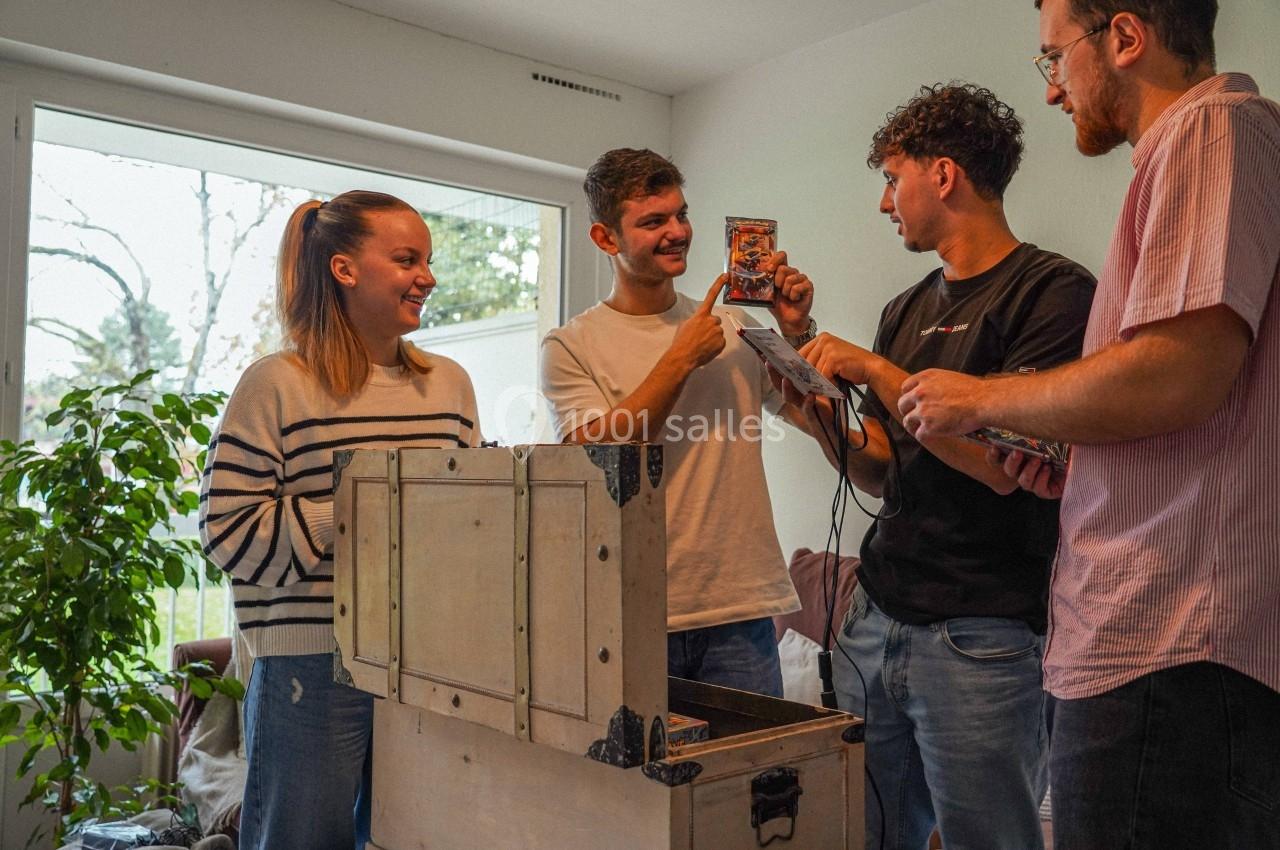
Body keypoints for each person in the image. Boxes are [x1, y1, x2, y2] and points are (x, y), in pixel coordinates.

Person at [897, 2, 1280, 846]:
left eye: (1053, 60)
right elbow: (1179, 402)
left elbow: (1179, 372)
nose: (1052, 92)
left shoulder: (1215, 130)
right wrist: (1079, 462)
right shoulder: (1189, 153)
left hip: (1169, 640)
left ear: (1126, 37)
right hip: (1152, 649)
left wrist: (980, 398)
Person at [778, 83, 1095, 849]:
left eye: (893, 179)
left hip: (982, 638)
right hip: (874, 615)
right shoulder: (905, 307)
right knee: (864, 832)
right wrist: (816, 409)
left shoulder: (1055, 294)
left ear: (942, 174)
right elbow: (886, 471)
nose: (887, 204)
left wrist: (877, 371)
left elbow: (1003, 465)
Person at [200, 191, 481, 850]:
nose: (429, 277)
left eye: (428, 260)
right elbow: (227, 534)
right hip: (309, 666)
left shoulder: (451, 386)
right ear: (345, 269)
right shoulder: (274, 384)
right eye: (407, 258)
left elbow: (468, 529)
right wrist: (355, 507)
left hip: (427, 661)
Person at [540, 148, 815, 696]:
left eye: (680, 215)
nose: (676, 232)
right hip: (634, 612)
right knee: (641, 783)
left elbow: (816, 418)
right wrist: (680, 358)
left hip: (743, 608)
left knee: (748, 781)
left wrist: (798, 334)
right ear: (605, 239)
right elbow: (593, 458)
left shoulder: (733, 325)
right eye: (653, 221)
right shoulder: (570, 345)